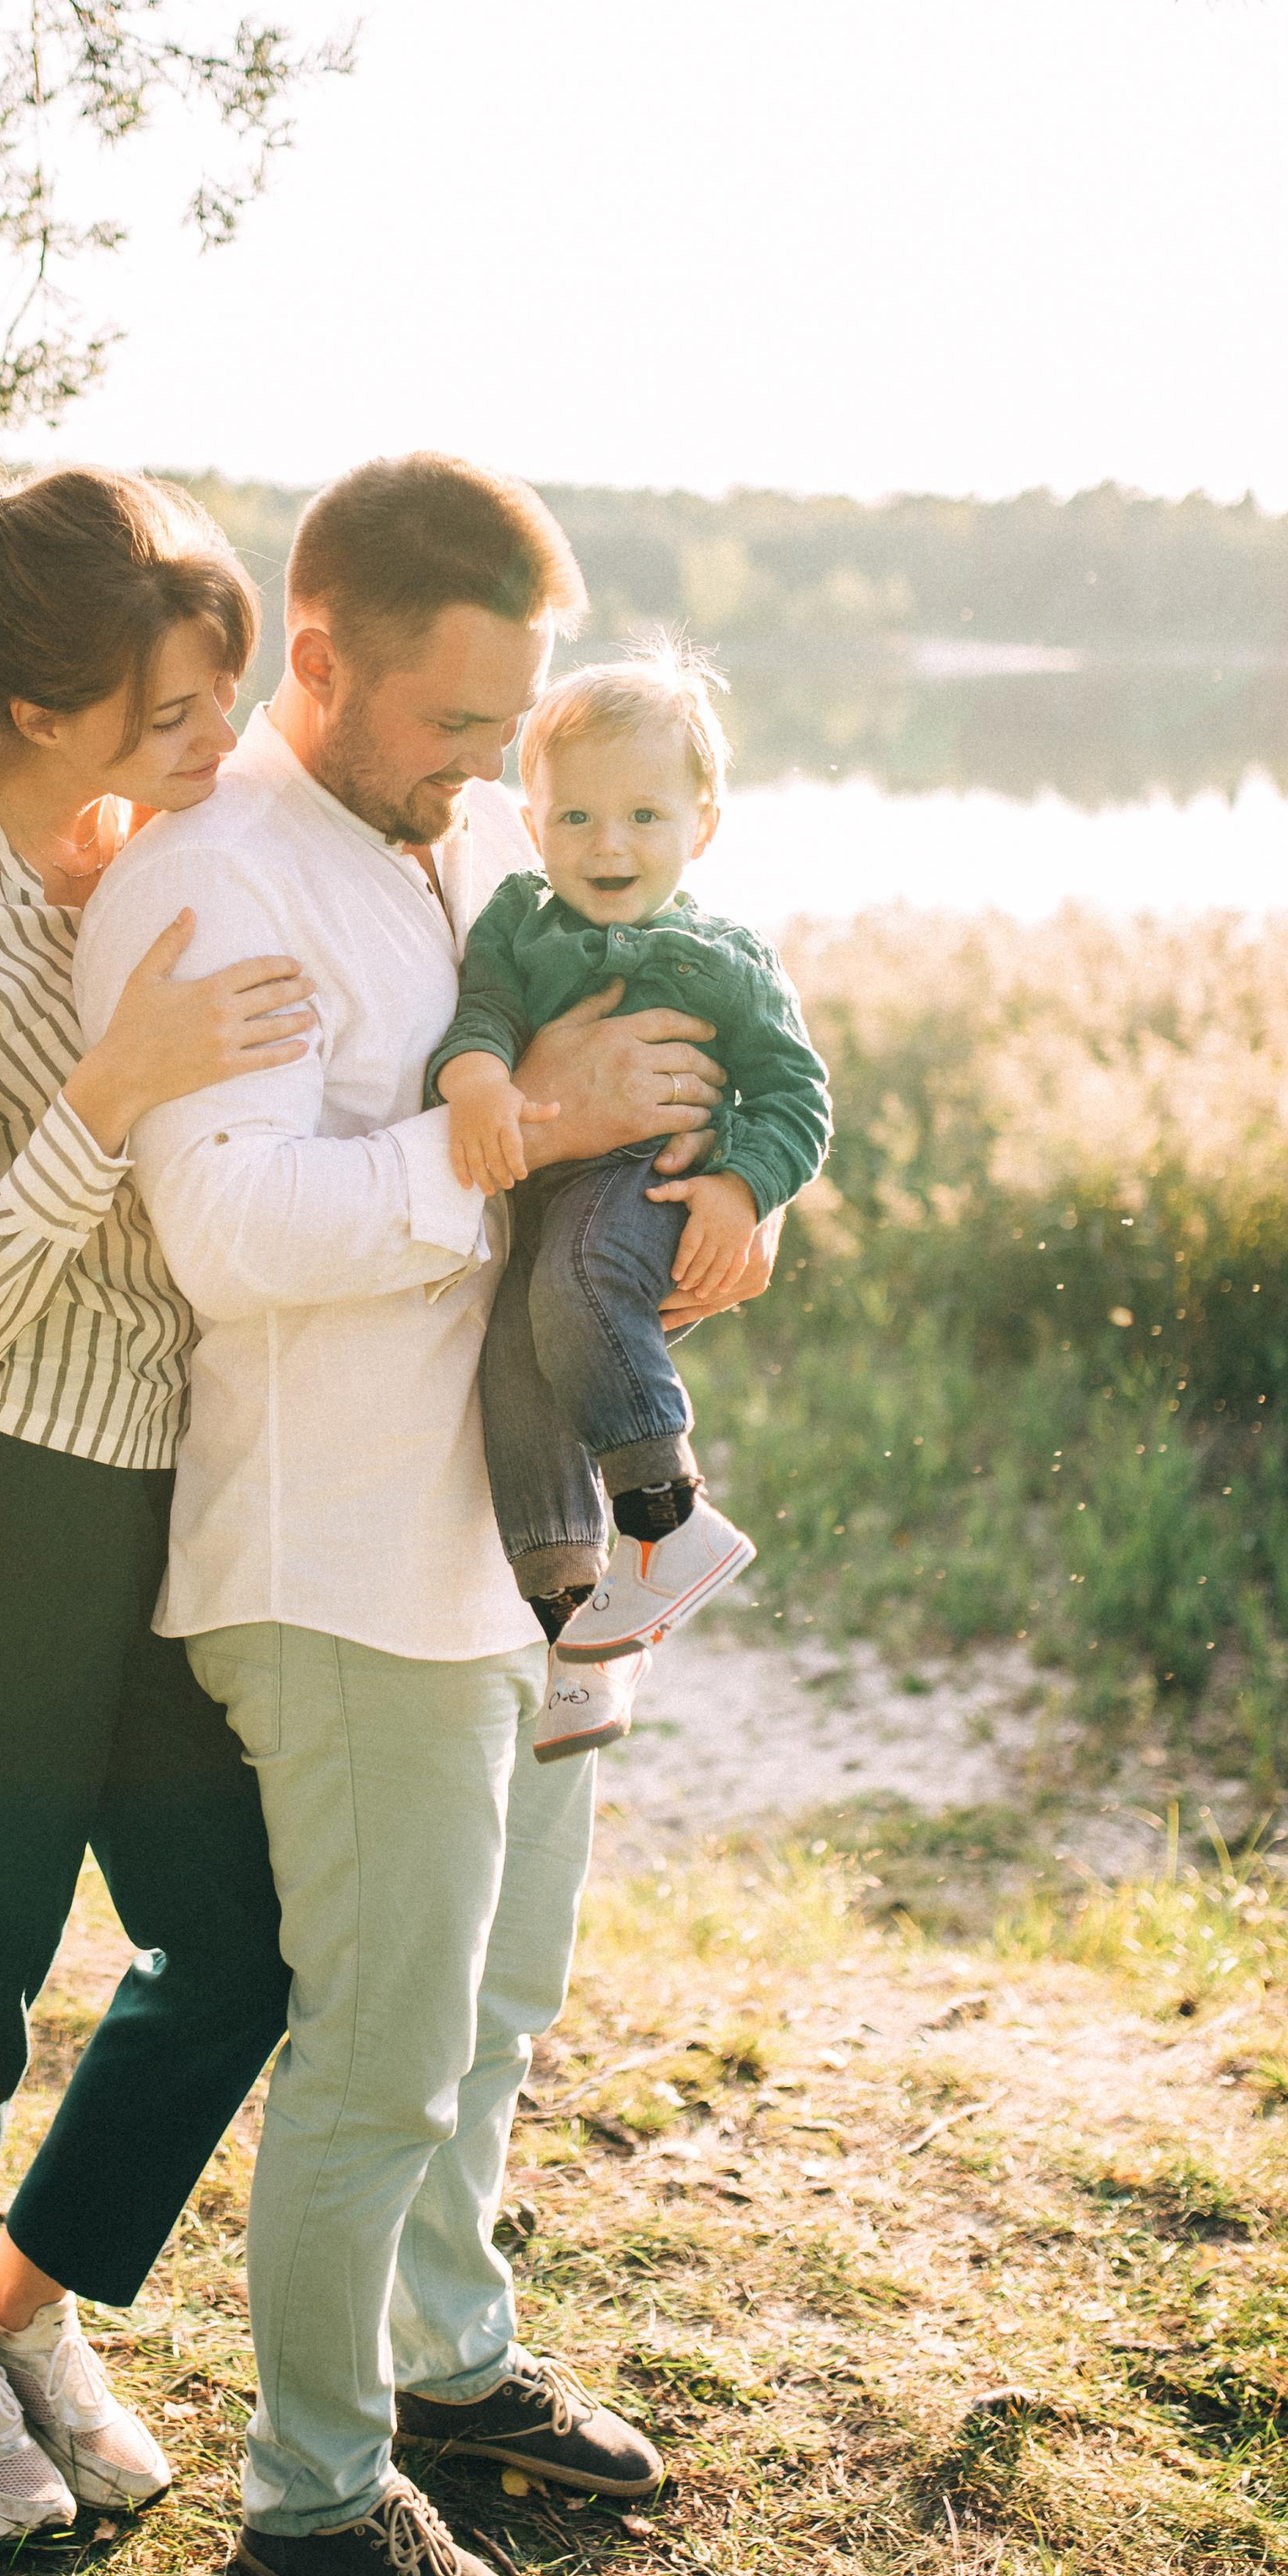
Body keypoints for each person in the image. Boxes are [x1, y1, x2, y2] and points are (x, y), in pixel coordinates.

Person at [75, 453, 783, 2576]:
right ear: (321, 662)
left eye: (525, 722)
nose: (505, 768)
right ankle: (308, 2504)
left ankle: (454, 2374)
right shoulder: (212, 888)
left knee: (497, 2007)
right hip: (341, 1566)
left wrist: (732, 1186)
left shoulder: (486, 848)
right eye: (465, 723)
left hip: (525, 1553)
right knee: (380, 2040)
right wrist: (530, 1135)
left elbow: (674, 1049)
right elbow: (238, 1232)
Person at [0, 451, 310, 2543]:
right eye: (180, 710)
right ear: (31, 705)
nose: (226, 744)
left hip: (132, 1474)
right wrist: (122, 1079)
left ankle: (21, 2296)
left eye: (229, 696)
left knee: (236, 1939)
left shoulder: (94, 854)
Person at [427, 646, 833, 1761]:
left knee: (577, 1282)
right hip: (553, 1197)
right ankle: (580, 1629)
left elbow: (798, 1096)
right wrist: (475, 1080)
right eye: (578, 819)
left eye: (645, 817)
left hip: (652, 1186)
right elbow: (483, 1019)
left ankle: (666, 1511)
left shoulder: (721, 958)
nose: (609, 847)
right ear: (531, 816)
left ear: (702, 827)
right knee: (516, 1366)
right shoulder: (516, 921)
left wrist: (744, 1193)